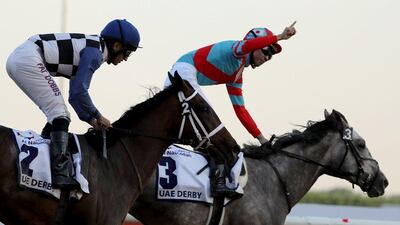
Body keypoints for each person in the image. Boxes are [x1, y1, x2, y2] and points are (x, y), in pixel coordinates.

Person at [164, 23, 296, 197]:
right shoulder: (238, 49)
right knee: (212, 125)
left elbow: (241, 111)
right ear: (255, 44)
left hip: (181, 77)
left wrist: (262, 139)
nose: (267, 58)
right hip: (183, 73)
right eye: (266, 51)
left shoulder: (236, 76)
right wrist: (280, 36)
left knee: (203, 133)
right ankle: (218, 181)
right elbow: (248, 45)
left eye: (271, 55)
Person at [6, 19, 141, 189]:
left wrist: (92, 121)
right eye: (127, 52)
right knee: (59, 114)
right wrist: (98, 115)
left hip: (24, 56)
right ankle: (59, 173)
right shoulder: (95, 54)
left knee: (59, 114)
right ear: (116, 46)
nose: (126, 59)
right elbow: (80, 92)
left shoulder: (92, 47)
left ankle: (46, 162)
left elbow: (74, 97)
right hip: (28, 58)